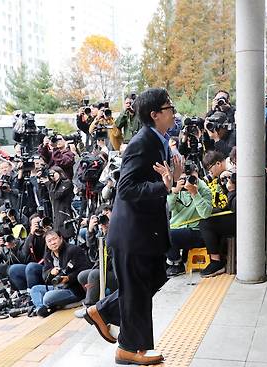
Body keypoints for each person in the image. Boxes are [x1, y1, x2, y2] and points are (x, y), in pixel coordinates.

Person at [83, 88, 177, 365]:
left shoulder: (159, 139)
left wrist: (170, 180)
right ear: (155, 114)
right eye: (169, 107)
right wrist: (164, 185)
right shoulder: (141, 142)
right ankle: (130, 349)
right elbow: (126, 188)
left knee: (155, 279)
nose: (174, 111)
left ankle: (101, 311)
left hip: (148, 231)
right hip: (133, 234)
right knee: (137, 292)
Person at [165, 162, 212, 277]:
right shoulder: (176, 188)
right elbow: (168, 208)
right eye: (183, 178)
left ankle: (177, 264)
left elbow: (205, 213)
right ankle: (174, 260)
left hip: (196, 230)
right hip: (177, 228)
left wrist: (195, 193)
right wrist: (174, 192)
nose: (188, 181)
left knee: (168, 235)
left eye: (191, 178)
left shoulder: (203, 189)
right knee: (158, 232)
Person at [31, 230, 89, 317]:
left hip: (74, 289)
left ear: (61, 238)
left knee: (47, 297)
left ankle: (48, 306)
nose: (53, 243)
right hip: (57, 287)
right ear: (46, 244)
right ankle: (41, 309)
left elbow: (85, 269)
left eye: (54, 239)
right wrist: (51, 272)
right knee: (35, 289)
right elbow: (44, 276)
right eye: (49, 241)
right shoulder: (48, 256)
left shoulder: (73, 250)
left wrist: (69, 278)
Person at [199, 151, 236, 277]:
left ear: (218, 163)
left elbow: (227, 202)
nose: (210, 174)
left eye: (210, 170)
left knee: (206, 223)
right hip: (242, 213)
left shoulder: (228, 173)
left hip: (243, 215)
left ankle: (216, 262)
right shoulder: (226, 173)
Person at [8, 214, 48, 292]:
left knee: (31, 267)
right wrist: (31, 234)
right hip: (33, 269)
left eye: (40, 222)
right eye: (36, 223)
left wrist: (47, 231)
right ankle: (24, 294)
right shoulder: (31, 238)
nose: (39, 225)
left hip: (47, 268)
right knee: (13, 269)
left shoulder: (50, 235)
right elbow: (23, 256)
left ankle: (33, 295)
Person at [42, 166, 75, 240]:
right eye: (50, 174)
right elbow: (43, 196)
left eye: (54, 173)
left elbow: (57, 195)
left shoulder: (67, 183)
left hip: (64, 215)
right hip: (55, 217)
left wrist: (48, 184)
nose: (52, 175)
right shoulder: (52, 185)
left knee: (65, 237)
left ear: (60, 172)